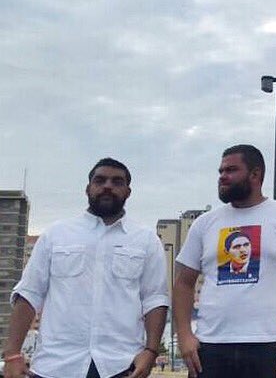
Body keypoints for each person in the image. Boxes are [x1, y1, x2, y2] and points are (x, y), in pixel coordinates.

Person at [2, 158, 169, 378]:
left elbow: (155, 300)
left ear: (128, 192)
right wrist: (13, 355)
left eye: (117, 182)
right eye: (100, 180)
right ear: (88, 188)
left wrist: (150, 351)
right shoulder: (56, 234)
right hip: (56, 365)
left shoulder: (146, 240)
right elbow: (29, 294)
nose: (108, 186)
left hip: (121, 366)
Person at [174, 144, 276, 378]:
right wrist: (184, 335)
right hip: (210, 347)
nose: (222, 177)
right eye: (220, 172)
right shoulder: (204, 223)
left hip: (268, 346)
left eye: (230, 170)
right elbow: (183, 282)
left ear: (255, 174)